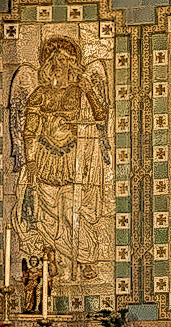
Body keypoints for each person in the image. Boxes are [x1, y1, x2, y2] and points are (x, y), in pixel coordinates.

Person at [10, 35, 110, 283]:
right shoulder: (39, 95)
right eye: (55, 64)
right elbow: (30, 131)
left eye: (66, 63)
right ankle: (50, 257)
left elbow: (100, 115)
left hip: (74, 160)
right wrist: (30, 161)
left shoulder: (80, 93)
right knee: (45, 211)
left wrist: (89, 90)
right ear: (48, 67)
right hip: (45, 159)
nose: (60, 68)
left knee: (71, 210)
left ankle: (85, 258)